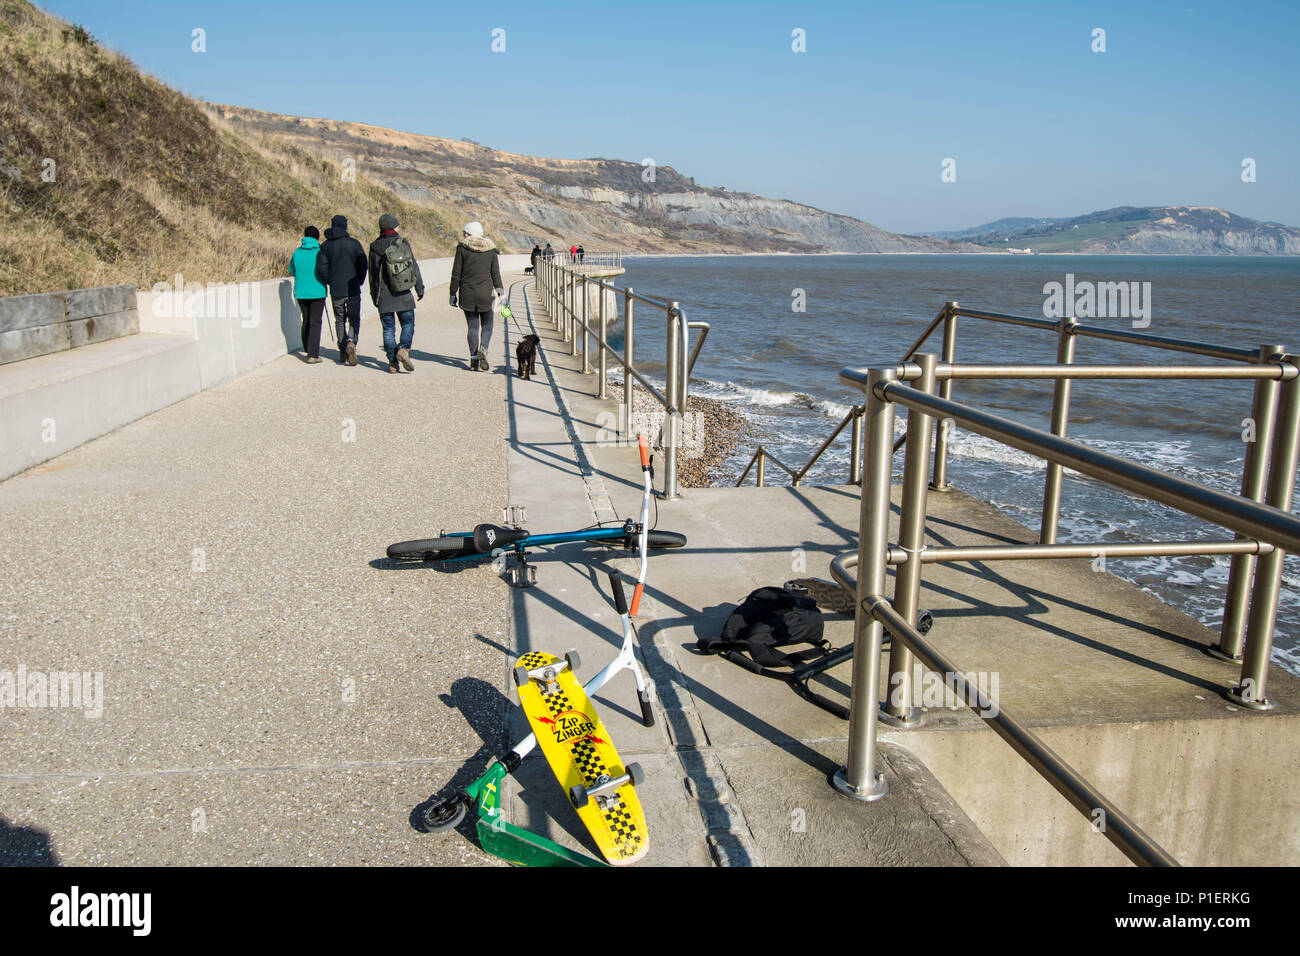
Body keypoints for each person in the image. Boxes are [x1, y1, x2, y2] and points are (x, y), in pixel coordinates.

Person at [368, 214, 425, 374]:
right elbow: (413, 266)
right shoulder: (402, 243)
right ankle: (404, 349)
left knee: (388, 329)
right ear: (393, 227)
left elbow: (372, 274)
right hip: (404, 293)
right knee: (407, 324)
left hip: (384, 296)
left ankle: (392, 362)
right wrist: (419, 287)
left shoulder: (374, 247)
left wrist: (374, 295)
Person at [449, 221, 503, 372]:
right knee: (488, 324)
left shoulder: (462, 249)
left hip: (467, 294)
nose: (463, 235)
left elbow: (456, 274)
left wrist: (452, 293)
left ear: (469, 234)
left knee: (472, 326)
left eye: (465, 233)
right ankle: (484, 349)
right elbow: (496, 275)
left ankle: (473, 359)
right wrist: (501, 296)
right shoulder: (491, 251)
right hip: (486, 294)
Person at [314, 214, 367, 366]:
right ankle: (351, 341)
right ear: (345, 226)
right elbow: (363, 263)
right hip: (352, 288)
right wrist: (359, 280)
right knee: (354, 318)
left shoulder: (325, 246)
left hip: (336, 289)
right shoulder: (354, 244)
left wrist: (330, 280)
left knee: (339, 319)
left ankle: (343, 349)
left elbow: (321, 267)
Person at [289, 226, 327, 363]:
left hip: (301, 291)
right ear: (317, 237)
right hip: (318, 291)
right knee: (315, 322)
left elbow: (292, 270)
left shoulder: (297, 252)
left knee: (306, 320)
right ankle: (313, 354)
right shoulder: (320, 252)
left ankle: (307, 347)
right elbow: (325, 270)